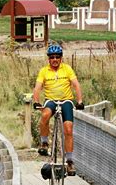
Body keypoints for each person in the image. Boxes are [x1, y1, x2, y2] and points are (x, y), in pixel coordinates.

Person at [32, 43, 84, 176]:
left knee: (68, 129)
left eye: (57, 57)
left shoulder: (67, 69)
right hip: (51, 101)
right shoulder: (44, 71)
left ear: (61, 58)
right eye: (52, 57)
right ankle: (44, 143)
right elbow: (37, 88)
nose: (55, 59)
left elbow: (76, 85)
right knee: (45, 115)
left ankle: (70, 161)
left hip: (66, 101)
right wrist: (37, 102)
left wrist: (79, 101)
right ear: (48, 59)